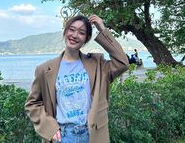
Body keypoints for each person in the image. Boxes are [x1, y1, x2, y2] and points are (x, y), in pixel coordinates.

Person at [25, 14, 129, 143]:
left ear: (86, 38)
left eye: (81, 32)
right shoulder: (45, 69)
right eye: (72, 29)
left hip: (93, 135)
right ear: (65, 31)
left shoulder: (98, 65)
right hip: (63, 136)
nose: (74, 35)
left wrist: (102, 29)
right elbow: (32, 104)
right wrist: (49, 128)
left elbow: (122, 63)